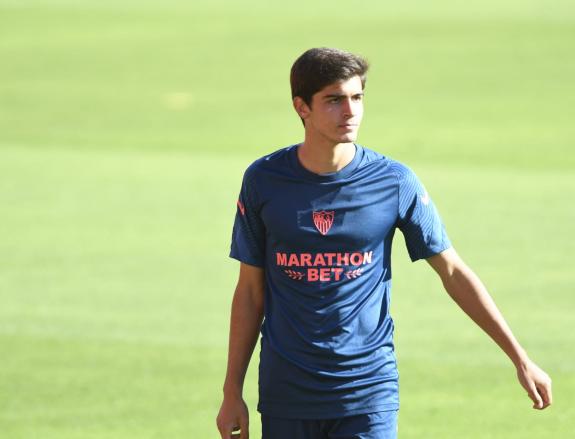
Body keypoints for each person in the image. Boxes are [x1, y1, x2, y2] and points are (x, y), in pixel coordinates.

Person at [216, 47, 552, 439]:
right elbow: (250, 292)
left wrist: (520, 358)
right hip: (286, 393)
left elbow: (453, 272)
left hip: (367, 392)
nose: (350, 111)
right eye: (334, 100)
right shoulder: (264, 180)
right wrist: (230, 392)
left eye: (357, 98)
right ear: (301, 107)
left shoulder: (394, 181)